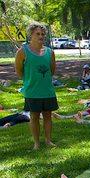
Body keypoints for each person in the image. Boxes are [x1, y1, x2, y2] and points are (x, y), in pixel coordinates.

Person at [14, 21, 58, 150]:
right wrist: (30, 81)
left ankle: (48, 141)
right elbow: (19, 71)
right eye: (37, 33)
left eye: (43, 34)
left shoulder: (50, 52)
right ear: (30, 35)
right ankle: (36, 143)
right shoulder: (23, 51)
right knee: (34, 117)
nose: (41, 36)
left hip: (47, 91)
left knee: (48, 116)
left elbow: (52, 70)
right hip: (32, 91)